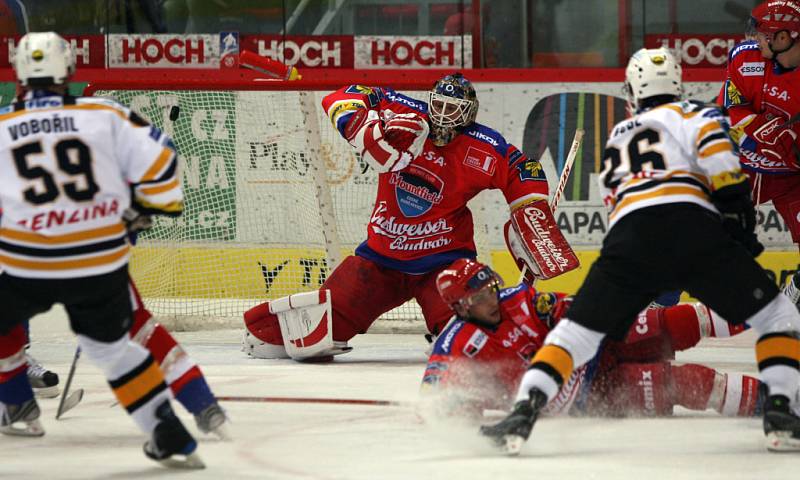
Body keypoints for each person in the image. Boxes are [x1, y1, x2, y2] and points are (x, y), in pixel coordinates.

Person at [480, 47, 800, 454]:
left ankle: (523, 412)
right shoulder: (699, 116)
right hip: (693, 229)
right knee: (778, 315)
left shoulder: (618, 135)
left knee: (576, 333)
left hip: (630, 239)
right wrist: (739, 231)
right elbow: (728, 175)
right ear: (678, 85)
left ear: (632, 91)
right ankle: (780, 413)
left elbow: (616, 205)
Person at [243, 73, 577, 362]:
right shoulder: (401, 111)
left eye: (454, 109)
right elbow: (342, 96)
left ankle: (459, 330)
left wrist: (531, 208)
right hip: (380, 260)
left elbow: (523, 168)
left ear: (468, 113)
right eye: (440, 106)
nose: (444, 116)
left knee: (475, 335)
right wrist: (362, 126)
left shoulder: (483, 147)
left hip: (445, 266)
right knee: (301, 331)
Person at [0, 32, 204, 468]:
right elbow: (162, 161)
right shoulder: (103, 113)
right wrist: (146, 210)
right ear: (69, 71)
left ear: (18, 75)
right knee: (113, 350)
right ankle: (167, 433)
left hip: (25, 263)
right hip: (97, 261)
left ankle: (16, 401)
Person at [422, 259, 758, 420]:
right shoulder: (454, 346)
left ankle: (766, 313)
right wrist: (455, 408)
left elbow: (578, 311)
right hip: (590, 392)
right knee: (690, 383)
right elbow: (433, 400)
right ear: (460, 307)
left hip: (596, 342)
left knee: (680, 320)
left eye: (491, 290)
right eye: (479, 299)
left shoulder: (521, 299)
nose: (491, 302)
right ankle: (775, 402)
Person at [719, 0, 800, 307]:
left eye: (762, 32)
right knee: (694, 231)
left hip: (794, 177)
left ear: (784, 37)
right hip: (745, 166)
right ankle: (660, 308)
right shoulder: (744, 58)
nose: (754, 38)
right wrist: (760, 134)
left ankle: (794, 301)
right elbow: (731, 110)